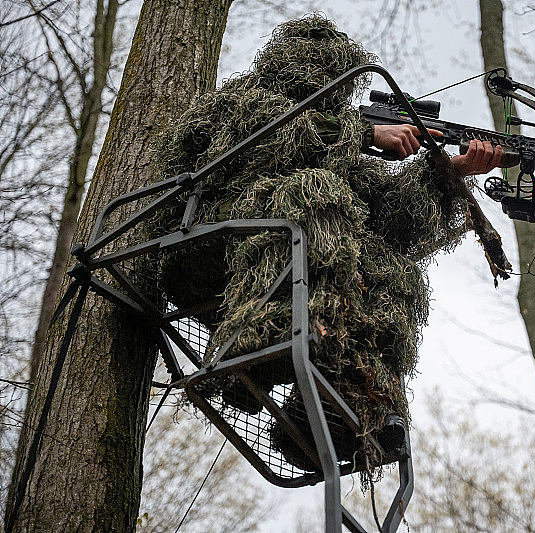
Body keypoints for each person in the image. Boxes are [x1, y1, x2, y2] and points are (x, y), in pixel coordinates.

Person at [154, 14, 501, 473]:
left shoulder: (338, 153)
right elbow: (261, 139)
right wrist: (364, 133)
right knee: (316, 191)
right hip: (204, 246)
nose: (328, 83)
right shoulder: (243, 102)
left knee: (392, 271)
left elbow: (392, 220)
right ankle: (254, 350)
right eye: (320, 68)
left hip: (283, 266)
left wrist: (447, 173)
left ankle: (338, 411)